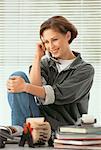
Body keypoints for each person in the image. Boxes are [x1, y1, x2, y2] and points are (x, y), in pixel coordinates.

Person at [7, 15, 94, 143]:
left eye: (54, 40)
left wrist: (25, 86)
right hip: (38, 122)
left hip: (63, 128)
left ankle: (19, 134)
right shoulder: (46, 64)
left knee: (22, 83)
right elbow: (35, 89)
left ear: (68, 36)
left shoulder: (84, 70)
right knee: (17, 75)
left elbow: (58, 94)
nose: (50, 46)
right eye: (46, 42)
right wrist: (37, 57)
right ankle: (20, 131)